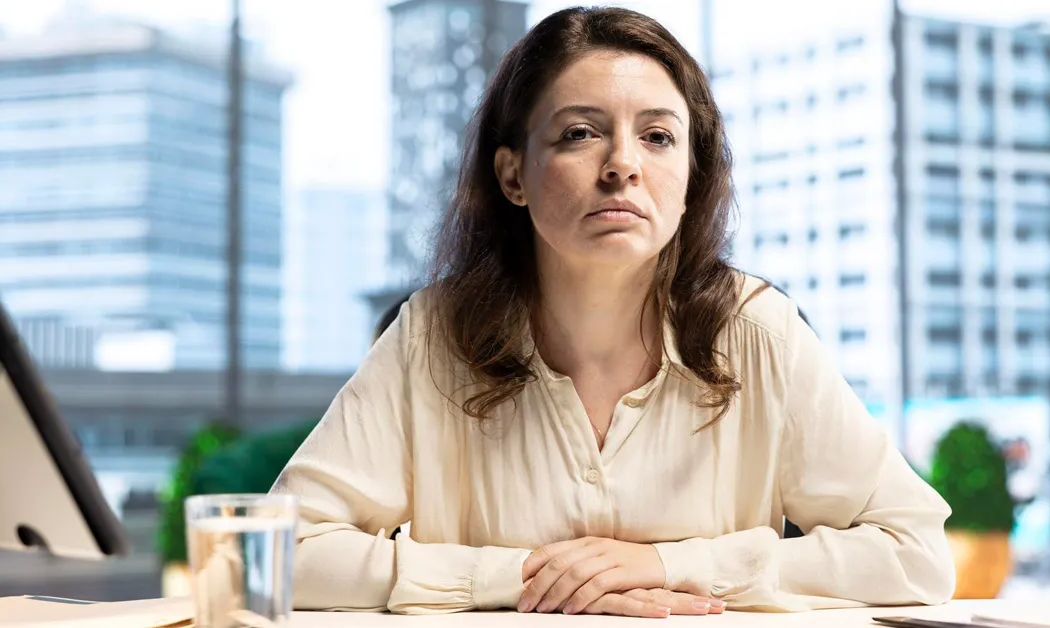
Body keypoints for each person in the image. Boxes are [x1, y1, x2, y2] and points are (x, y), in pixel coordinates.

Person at [271, 6, 955, 618]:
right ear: (513, 174)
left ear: (692, 176)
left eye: (657, 137)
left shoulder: (759, 330)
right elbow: (283, 550)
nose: (622, 164)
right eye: (579, 133)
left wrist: (670, 566)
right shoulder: (430, 334)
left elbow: (916, 553)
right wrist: (521, 577)